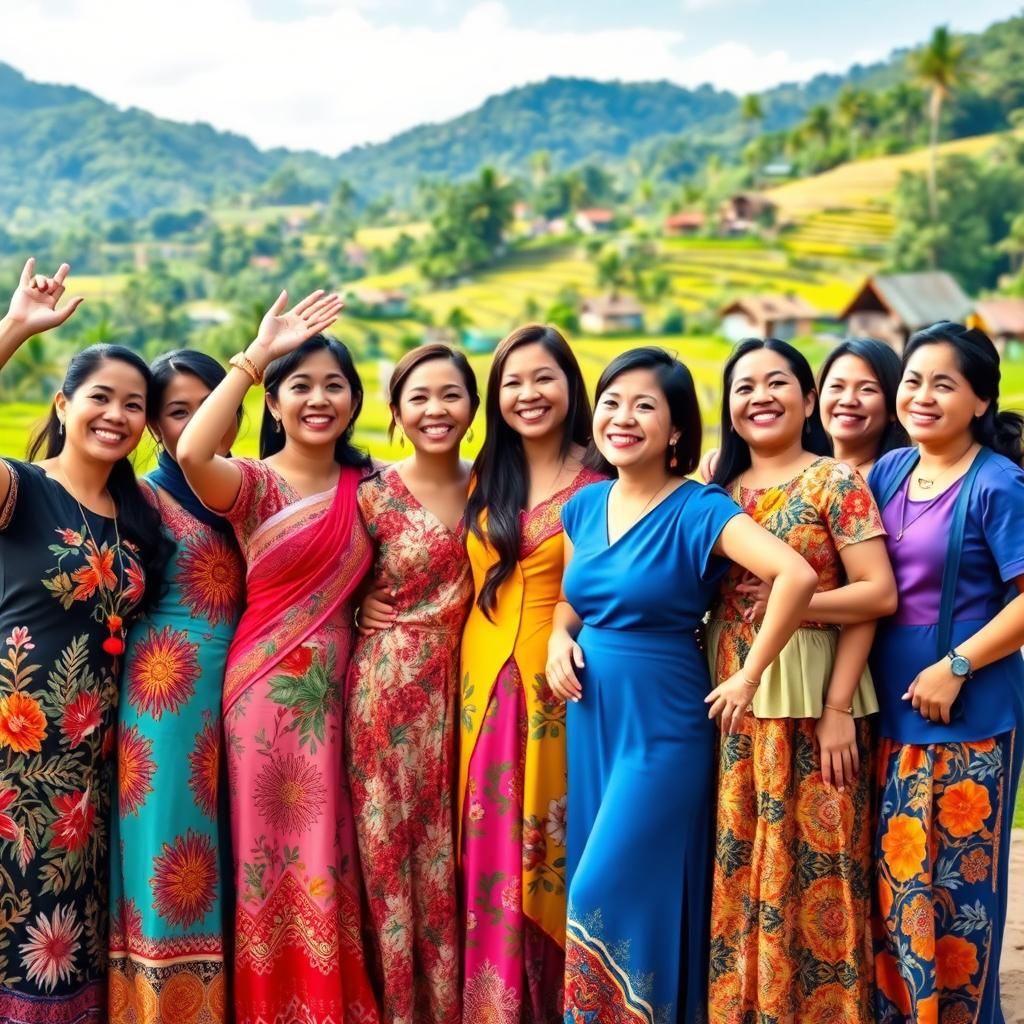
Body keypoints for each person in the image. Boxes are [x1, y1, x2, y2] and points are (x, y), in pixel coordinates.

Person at [546, 347, 818, 1022]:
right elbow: (572, 599)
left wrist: (749, 675)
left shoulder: (699, 509)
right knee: (622, 885)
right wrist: (558, 638)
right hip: (592, 720)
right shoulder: (585, 507)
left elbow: (797, 576)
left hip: (664, 725)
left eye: (644, 406)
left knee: (598, 889)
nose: (623, 416)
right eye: (611, 401)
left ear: (674, 431)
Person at [177, 290, 380, 1024]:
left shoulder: (374, 489)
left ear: (355, 402)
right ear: (274, 402)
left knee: (335, 854)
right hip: (264, 693)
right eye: (300, 386)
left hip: (345, 697)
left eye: (334, 386)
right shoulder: (254, 485)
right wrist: (254, 356)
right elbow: (192, 450)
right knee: (274, 857)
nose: (318, 399)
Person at [707, 337, 897, 1023]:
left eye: (777, 382)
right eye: (744, 386)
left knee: (820, 871)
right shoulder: (714, 491)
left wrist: (838, 702)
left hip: (816, 701)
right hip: (733, 703)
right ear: (727, 409)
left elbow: (878, 596)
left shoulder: (834, 482)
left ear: (808, 399)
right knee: (741, 864)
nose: (760, 396)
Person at [0, 260, 166, 1023]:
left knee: (61, 944)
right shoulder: (22, 489)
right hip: (10, 761)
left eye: (135, 405)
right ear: (64, 404)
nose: (118, 414)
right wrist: (15, 331)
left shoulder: (139, 518)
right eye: (101, 397)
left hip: (87, 778)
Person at [868, 322, 1024, 1024]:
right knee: (896, 895)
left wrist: (956, 664)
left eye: (943, 383)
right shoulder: (889, 471)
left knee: (958, 909)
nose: (922, 396)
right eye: (912, 380)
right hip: (887, 714)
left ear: (981, 400)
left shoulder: (998, 484)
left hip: (969, 720)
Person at [458, 324, 604, 1023]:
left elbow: (601, 584)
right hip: (475, 691)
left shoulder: (603, 477)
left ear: (571, 385)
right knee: (485, 856)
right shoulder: (485, 474)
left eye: (542, 377)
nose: (528, 394)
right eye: (512, 382)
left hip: (558, 688)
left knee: (550, 852)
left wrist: (560, 631)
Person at [107, 350, 245, 1022]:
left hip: (244, 700)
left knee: (236, 857)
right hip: (165, 700)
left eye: (208, 405)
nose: (197, 424)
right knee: (172, 857)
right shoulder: (138, 500)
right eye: (177, 412)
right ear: (157, 428)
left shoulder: (254, 489)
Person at [346, 344, 479, 1024]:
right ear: (396, 412)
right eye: (419, 397)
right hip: (390, 693)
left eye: (450, 394)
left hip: (477, 693)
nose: (436, 409)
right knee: (395, 850)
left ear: (474, 406)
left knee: (460, 850)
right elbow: (322, 584)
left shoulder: (496, 486)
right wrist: (356, 607)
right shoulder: (370, 494)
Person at [817, 336, 909, 476]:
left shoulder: (899, 485)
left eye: (867, 389)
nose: (848, 400)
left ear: (893, 407)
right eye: (837, 386)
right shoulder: (804, 476)